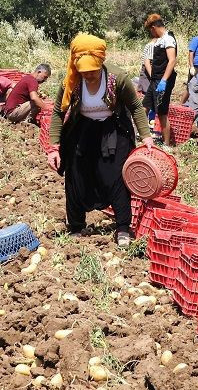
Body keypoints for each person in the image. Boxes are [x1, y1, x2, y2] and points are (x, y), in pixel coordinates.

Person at [47, 33, 153, 248]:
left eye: (93, 71)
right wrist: (54, 146)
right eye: (84, 72)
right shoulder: (72, 81)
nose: (89, 76)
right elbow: (59, 111)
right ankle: (76, 226)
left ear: (101, 63)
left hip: (112, 129)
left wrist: (147, 136)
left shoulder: (117, 79)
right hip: (83, 128)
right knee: (75, 175)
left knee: (116, 176)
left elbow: (135, 107)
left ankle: (123, 227)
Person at [140, 14, 177, 146]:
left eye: (151, 30)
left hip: (163, 81)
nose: (151, 32)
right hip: (155, 80)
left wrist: (164, 80)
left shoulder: (168, 39)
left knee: (161, 113)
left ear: (155, 27)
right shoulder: (160, 40)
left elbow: (172, 60)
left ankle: (167, 144)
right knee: (144, 107)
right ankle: (143, 135)